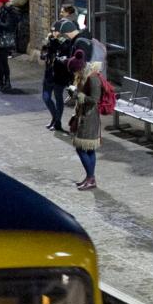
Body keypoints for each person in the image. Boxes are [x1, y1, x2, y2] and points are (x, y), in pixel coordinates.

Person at [68, 48, 104, 191]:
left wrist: (81, 97)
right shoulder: (83, 75)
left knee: (81, 148)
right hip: (83, 113)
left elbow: (95, 99)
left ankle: (91, 178)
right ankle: (90, 178)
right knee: (88, 150)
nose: (75, 74)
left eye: (75, 71)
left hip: (90, 116)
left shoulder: (93, 77)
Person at [40, 27, 74, 132]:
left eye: (56, 31)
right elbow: (43, 56)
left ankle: (57, 122)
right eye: (52, 31)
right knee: (46, 97)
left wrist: (57, 41)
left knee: (58, 99)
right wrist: (47, 45)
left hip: (60, 76)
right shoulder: (50, 42)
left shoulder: (66, 42)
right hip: (49, 75)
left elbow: (64, 57)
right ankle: (55, 117)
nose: (53, 33)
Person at [0, 0, 20, 91]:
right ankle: (3, 82)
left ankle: (5, 83)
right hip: (3, 40)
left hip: (6, 40)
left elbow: (8, 26)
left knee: (1, 61)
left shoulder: (10, 12)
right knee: (1, 61)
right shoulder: (5, 10)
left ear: (3, 2)